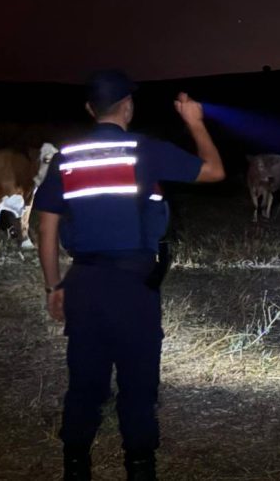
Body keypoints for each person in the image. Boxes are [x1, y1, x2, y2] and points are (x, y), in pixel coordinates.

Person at [35, 70, 225, 480]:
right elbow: (214, 171)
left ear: (90, 109)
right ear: (128, 106)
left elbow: (45, 228)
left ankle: (75, 467)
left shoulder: (64, 158)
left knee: (84, 384)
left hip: (83, 283)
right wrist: (194, 122)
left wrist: (54, 285)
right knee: (138, 386)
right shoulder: (145, 151)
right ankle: (140, 468)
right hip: (133, 288)